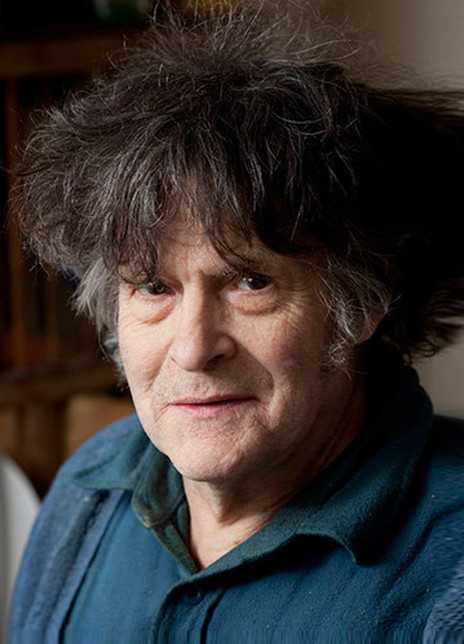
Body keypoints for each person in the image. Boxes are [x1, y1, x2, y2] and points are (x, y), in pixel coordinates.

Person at [8, 3, 464, 641]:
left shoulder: (449, 578)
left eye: (252, 282)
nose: (193, 348)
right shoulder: (89, 491)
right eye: (153, 287)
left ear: (364, 304)